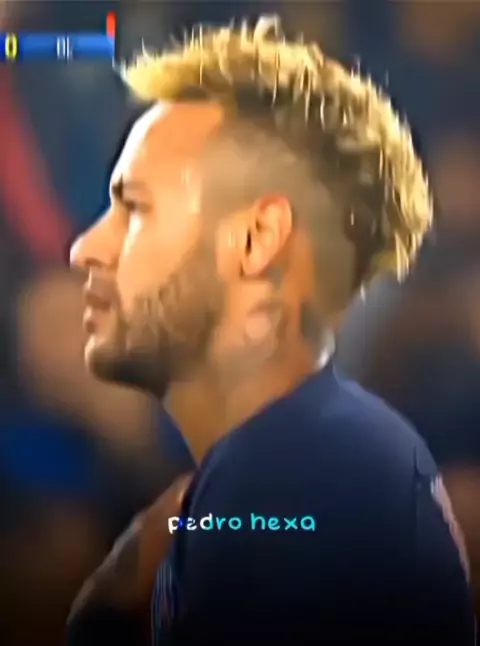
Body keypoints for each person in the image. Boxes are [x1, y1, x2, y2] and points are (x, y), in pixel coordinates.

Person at [68, 16, 475, 644]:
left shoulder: (284, 494)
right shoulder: (309, 473)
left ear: (257, 240)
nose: (84, 249)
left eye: (135, 208)